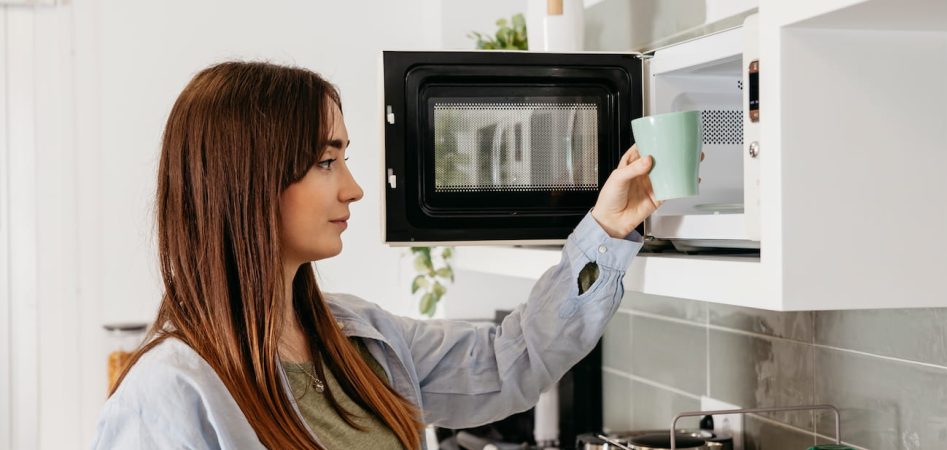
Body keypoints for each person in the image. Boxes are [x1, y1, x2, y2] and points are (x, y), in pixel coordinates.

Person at [91, 61, 661, 450]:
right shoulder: (167, 392)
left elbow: (511, 361)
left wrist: (605, 230)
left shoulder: (361, 337)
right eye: (325, 161)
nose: (355, 188)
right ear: (249, 181)